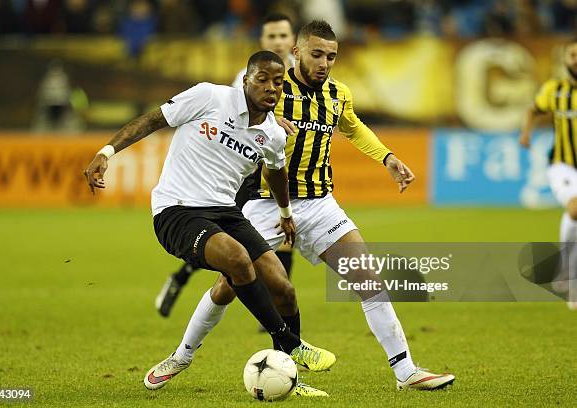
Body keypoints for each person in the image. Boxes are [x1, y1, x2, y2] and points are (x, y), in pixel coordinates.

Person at [161, 20, 455, 392]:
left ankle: (406, 371)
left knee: (368, 279)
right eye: (316, 54)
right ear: (296, 53)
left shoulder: (338, 95)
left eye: (331, 56)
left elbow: (353, 128)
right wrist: (263, 118)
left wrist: (388, 158)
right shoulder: (270, 93)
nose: (324, 63)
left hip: (319, 203)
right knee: (229, 285)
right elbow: (231, 115)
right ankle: (183, 355)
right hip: (265, 204)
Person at [82, 50, 336, 392]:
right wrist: (106, 152)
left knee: (283, 288)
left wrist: (286, 213)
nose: (271, 88)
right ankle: (290, 343)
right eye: (262, 80)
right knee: (237, 261)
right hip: (177, 210)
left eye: (278, 82)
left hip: (225, 213)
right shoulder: (209, 96)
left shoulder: (274, 134)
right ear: (246, 81)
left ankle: (290, 378)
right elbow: (152, 120)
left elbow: (276, 172)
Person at [155, 13, 297, 319]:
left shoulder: (302, 78)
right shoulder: (244, 78)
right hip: (245, 174)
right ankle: (181, 278)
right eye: (271, 37)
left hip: (281, 167)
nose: (278, 42)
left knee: (277, 245)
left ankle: (276, 316)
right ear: (262, 41)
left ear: (293, 41)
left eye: (283, 36)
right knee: (225, 241)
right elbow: (237, 114)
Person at [520, 37, 577, 310]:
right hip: (562, 164)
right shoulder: (555, 90)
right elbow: (533, 109)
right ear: (565, 59)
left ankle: (565, 271)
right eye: (573, 55)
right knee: (575, 210)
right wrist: (526, 133)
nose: (576, 59)